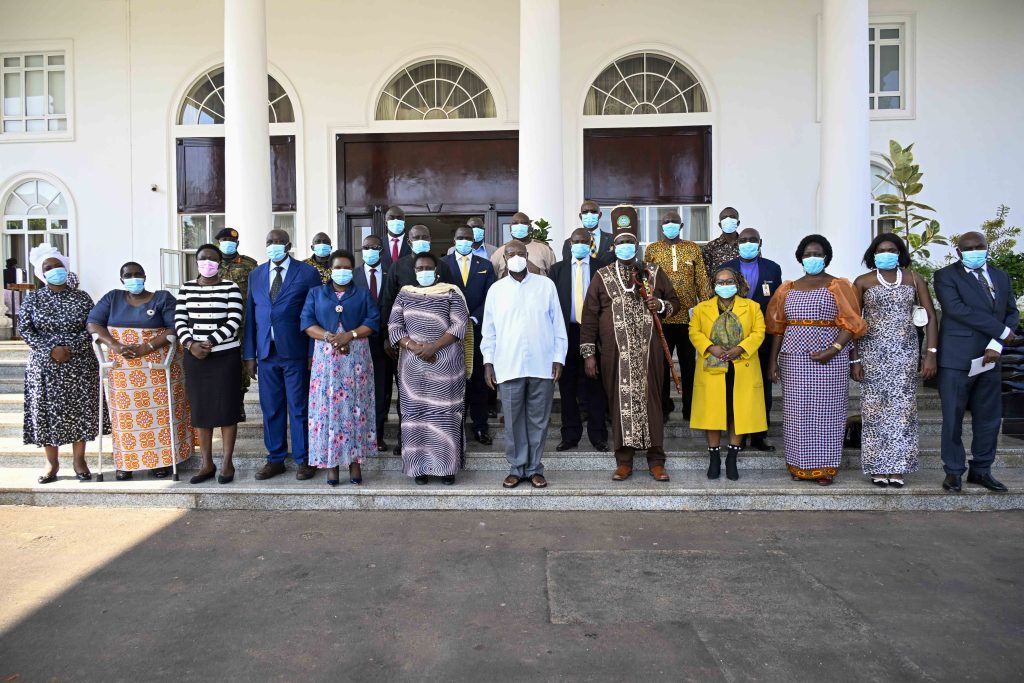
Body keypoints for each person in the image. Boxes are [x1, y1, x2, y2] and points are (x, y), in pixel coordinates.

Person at [580, 205, 681, 482]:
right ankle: (624, 460)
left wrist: (658, 304)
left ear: (637, 246)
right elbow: (589, 316)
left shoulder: (653, 272)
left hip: (650, 353)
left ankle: (656, 460)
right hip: (615, 354)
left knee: (653, 403)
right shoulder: (602, 276)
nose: (626, 246)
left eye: (630, 242)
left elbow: (675, 303)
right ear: (614, 247)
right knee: (619, 403)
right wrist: (589, 353)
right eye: (621, 242)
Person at [766, 234, 867, 486]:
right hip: (794, 358)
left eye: (817, 254)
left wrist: (834, 350)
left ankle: (824, 468)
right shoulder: (787, 288)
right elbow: (778, 327)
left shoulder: (838, 285)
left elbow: (851, 322)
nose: (812, 258)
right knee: (797, 413)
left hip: (830, 358)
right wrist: (772, 361)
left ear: (826, 257)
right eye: (808, 254)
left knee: (827, 412)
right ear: (800, 257)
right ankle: (799, 465)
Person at [87, 262, 192, 481]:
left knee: (161, 416)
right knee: (124, 417)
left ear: (145, 276)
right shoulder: (112, 298)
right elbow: (94, 324)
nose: (133, 278)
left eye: (137, 274)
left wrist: (147, 347)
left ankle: (161, 462)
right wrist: (114, 345)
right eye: (128, 275)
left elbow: (175, 327)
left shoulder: (162, 298)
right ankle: (126, 463)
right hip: (123, 370)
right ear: (121, 279)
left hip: (156, 368)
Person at [933, 231, 1019, 493]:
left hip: (990, 358)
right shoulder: (946, 276)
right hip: (957, 358)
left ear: (986, 247)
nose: (974, 251)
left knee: (989, 418)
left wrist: (996, 344)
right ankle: (954, 471)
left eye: (978, 247)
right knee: (953, 418)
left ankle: (981, 470)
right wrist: (1002, 332)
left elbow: (1011, 312)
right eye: (968, 248)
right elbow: (957, 309)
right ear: (958, 252)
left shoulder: (1001, 276)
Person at [850, 233, 938, 488]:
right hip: (872, 353)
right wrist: (853, 361)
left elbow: (930, 317)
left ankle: (899, 468)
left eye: (891, 249)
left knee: (903, 411)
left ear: (900, 253)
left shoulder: (914, 279)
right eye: (881, 249)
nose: (886, 253)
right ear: (873, 254)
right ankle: (878, 466)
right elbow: (853, 324)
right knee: (874, 410)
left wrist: (930, 354)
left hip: (905, 352)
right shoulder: (863, 281)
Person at [483, 240, 567, 488]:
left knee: (539, 420)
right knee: (512, 419)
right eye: (511, 254)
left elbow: (558, 325)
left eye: (521, 253)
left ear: (527, 255)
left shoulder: (546, 285)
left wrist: (558, 358)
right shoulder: (496, 290)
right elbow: (489, 332)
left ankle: (534, 468)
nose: (517, 256)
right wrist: (488, 362)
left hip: (542, 364)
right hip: (508, 365)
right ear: (505, 259)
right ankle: (517, 468)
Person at [21, 244, 107, 484]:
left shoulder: (81, 298)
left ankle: (80, 460)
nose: (54, 270)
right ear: (41, 272)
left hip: (79, 365)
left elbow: (93, 326)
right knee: (48, 413)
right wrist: (52, 350)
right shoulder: (33, 299)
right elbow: (25, 330)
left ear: (65, 268)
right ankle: (51, 463)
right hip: (45, 367)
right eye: (48, 268)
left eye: (58, 266)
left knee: (80, 411)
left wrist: (71, 349)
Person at [244, 229, 323, 481]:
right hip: (266, 352)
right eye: (270, 242)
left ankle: (304, 459)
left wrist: (313, 351)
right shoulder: (255, 274)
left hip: (296, 351)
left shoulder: (307, 272)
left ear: (289, 245)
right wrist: (249, 355)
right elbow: (251, 317)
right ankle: (275, 458)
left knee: (299, 407)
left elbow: (315, 313)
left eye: (279, 242)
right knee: (271, 408)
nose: (274, 245)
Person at [388, 252, 469, 485]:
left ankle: (446, 468)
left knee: (445, 416)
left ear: (437, 270)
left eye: (428, 267)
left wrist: (434, 346)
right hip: (413, 368)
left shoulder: (451, 292)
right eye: (419, 268)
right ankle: (419, 468)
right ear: (415, 271)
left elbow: (459, 324)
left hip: (446, 366)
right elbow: (394, 325)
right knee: (416, 416)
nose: (424, 271)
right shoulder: (404, 294)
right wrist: (413, 346)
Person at [301, 250, 380, 487]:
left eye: (346, 267)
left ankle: (355, 462)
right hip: (326, 358)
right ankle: (332, 465)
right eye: (338, 267)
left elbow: (373, 321)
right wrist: (330, 337)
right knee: (328, 411)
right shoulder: (316, 293)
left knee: (355, 409)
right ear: (331, 270)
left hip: (356, 358)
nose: (342, 271)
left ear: (352, 270)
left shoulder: (362, 293)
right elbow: (306, 322)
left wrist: (350, 335)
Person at [379, 223, 456, 455]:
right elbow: (387, 302)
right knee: (408, 395)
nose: (421, 239)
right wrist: (389, 338)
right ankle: (406, 439)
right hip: (406, 346)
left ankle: (438, 443)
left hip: (439, 349)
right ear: (409, 241)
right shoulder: (397, 266)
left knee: (437, 396)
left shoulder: (442, 265)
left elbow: (453, 297)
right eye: (416, 237)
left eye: (425, 236)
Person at [689, 267, 767, 481]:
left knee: (738, 412)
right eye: (720, 282)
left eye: (729, 281)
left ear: (738, 283)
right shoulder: (701, 308)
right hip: (712, 367)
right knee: (713, 413)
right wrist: (709, 347)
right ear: (713, 285)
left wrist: (741, 348)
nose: (725, 286)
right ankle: (714, 458)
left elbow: (759, 332)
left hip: (742, 366)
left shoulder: (752, 307)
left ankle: (732, 457)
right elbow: (693, 331)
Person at [174, 245, 243, 484]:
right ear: (196, 261)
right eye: (203, 258)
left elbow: (235, 319)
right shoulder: (186, 288)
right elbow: (180, 319)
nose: (208, 263)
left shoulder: (230, 287)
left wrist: (210, 342)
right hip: (195, 357)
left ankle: (226, 463)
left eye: (213, 259)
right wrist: (191, 344)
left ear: (220, 263)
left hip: (224, 356)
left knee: (227, 409)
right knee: (202, 410)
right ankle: (206, 463)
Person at [643, 210, 709, 423]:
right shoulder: (652, 249)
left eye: (674, 222)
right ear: (660, 227)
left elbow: (701, 280)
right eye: (666, 222)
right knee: (661, 366)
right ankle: (663, 407)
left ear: (681, 226)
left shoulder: (692, 248)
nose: (670, 225)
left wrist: (707, 308)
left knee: (689, 366)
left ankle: (690, 409)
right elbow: (646, 281)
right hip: (661, 318)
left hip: (688, 319)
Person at [721, 227, 783, 451]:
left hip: (762, 339)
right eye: (744, 240)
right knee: (734, 388)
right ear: (737, 243)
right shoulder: (725, 269)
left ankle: (759, 435)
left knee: (761, 388)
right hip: (731, 340)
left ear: (760, 242)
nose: (748, 243)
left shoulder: (772, 268)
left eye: (752, 240)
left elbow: (776, 304)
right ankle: (738, 434)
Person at [549, 228, 609, 452]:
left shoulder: (601, 268)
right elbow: (552, 306)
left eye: (585, 241)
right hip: (567, 333)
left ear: (591, 243)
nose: (580, 244)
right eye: (576, 241)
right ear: (570, 243)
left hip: (594, 333)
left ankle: (598, 436)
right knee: (567, 387)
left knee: (595, 385)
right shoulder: (557, 270)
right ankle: (570, 435)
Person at [443, 225, 497, 445]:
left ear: (473, 241)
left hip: (477, 329)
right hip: (449, 332)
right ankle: (455, 427)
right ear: (454, 239)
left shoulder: (485, 265)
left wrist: (474, 317)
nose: (464, 241)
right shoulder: (442, 264)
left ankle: (480, 427)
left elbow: (490, 296)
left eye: (468, 238)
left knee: (478, 381)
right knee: (453, 379)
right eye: (460, 237)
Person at [352, 234, 392, 452]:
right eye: (366, 247)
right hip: (358, 342)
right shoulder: (353, 275)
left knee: (381, 391)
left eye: (374, 247)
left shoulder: (390, 272)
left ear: (381, 251)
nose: (369, 250)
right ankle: (359, 432)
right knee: (359, 391)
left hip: (384, 344)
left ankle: (377, 435)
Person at [215, 227, 258, 419]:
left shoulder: (249, 265)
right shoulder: (211, 263)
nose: (227, 243)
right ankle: (223, 404)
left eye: (231, 241)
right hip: (217, 323)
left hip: (242, 324)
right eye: (223, 240)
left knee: (241, 364)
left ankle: (239, 404)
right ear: (218, 243)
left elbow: (258, 292)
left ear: (237, 244)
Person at [491, 212, 557, 277]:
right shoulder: (499, 252)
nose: (519, 226)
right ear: (510, 227)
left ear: (530, 227)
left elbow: (555, 275)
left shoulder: (544, 249)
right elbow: (492, 277)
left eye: (524, 223)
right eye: (515, 223)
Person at [560, 200, 614, 267]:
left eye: (593, 212)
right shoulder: (569, 242)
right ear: (580, 216)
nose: (589, 214)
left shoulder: (612, 239)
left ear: (600, 215)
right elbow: (566, 267)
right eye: (585, 212)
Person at [701, 206, 742, 276]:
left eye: (732, 217)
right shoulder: (710, 247)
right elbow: (706, 275)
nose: (728, 219)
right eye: (724, 217)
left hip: (745, 286)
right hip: (720, 286)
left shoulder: (746, 245)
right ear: (720, 225)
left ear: (738, 223)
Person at [380, 206, 411, 271]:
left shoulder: (412, 243)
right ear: (386, 222)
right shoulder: (379, 244)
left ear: (404, 222)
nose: (396, 220)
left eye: (399, 218)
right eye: (392, 218)